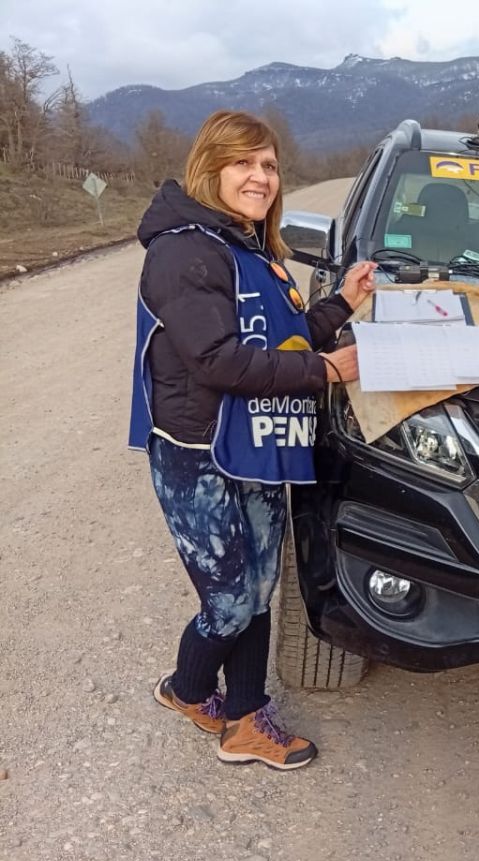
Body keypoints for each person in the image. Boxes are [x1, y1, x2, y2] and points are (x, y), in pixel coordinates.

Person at [128, 109, 376, 771]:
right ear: (209, 169)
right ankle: (186, 689)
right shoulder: (184, 251)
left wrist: (343, 304)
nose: (260, 177)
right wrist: (325, 370)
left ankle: (245, 720)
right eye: (243, 163)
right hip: (199, 452)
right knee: (232, 600)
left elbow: (281, 340)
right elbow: (218, 360)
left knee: (259, 588)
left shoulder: (248, 249)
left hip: (259, 440)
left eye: (268, 165)